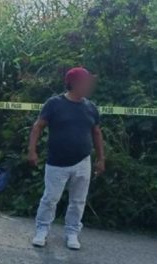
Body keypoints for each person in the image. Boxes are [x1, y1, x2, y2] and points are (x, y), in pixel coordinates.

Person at [27, 67, 105, 250]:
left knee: (78, 201)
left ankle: (72, 233)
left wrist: (101, 159)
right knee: (50, 198)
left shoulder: (91, 108)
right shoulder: (54, 104)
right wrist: (32, 151)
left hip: (83, 161)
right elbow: (38, 126)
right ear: (73, 83)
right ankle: (42, 230)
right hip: (57, 161)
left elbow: (97, 132)